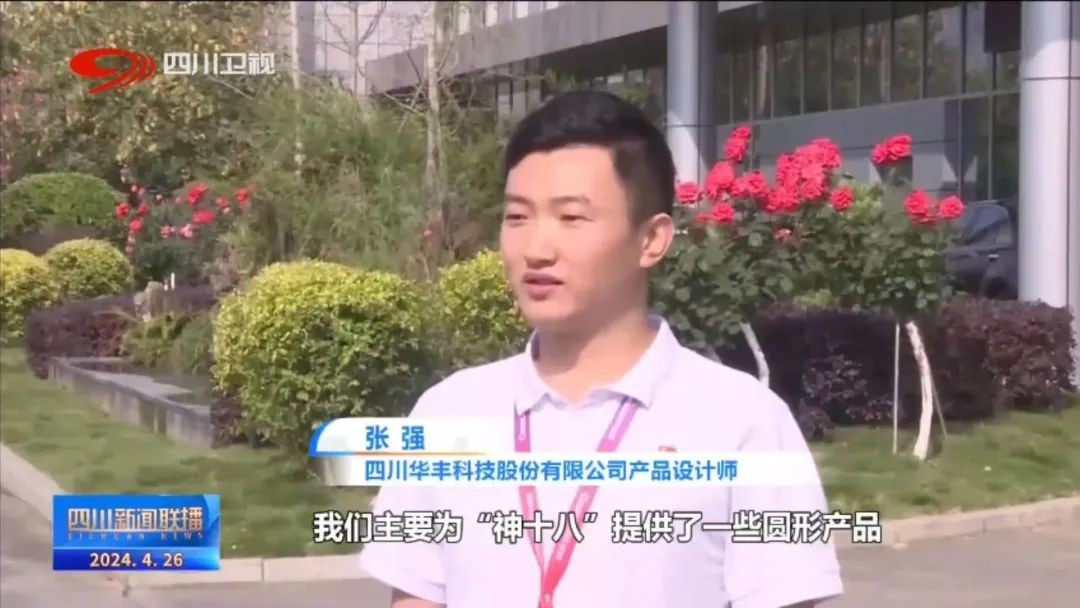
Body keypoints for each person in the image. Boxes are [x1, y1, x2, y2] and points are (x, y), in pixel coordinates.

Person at [359, 90, 843, 608]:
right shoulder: (446, 414)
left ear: (652, 240)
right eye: (518, 217)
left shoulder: (743, 423)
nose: (536, 250)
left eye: (572, 218)